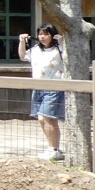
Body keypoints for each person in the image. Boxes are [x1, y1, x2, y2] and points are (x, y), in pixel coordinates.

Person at [19, 23, 66, 162]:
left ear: (52, 35)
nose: (42, 37)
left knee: (45, 117)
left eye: (46, 34)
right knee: (44, 119)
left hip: (54, 87)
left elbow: (68, 57)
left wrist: (61, 42)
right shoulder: (35, 50)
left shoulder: (59, 49)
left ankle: (54, 149)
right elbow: (22, 56)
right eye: (40, 34)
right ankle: (53, 148)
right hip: (38, 87)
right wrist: (21, 42)